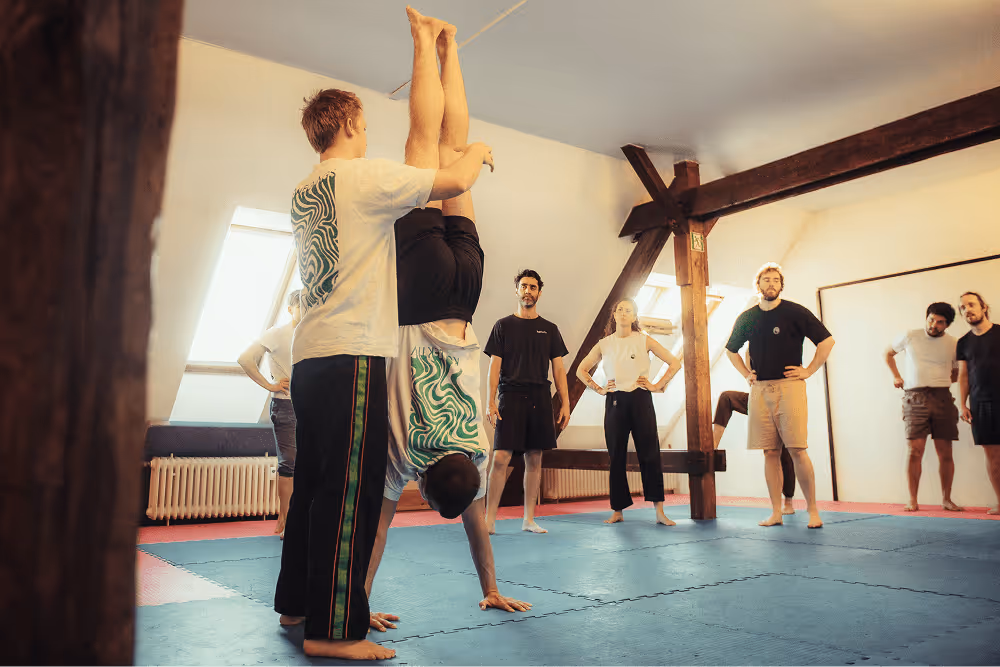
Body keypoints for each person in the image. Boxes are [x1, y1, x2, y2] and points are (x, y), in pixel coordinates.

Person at [272, 5, 495, 659]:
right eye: (364, 123)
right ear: (347, 124)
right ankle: (333, 630)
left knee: (314, 485)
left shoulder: (304, 189)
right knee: (350, 494)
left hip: (313, 356)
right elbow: (454, 174)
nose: (369, 133)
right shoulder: (360, 176)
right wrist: (478, 152)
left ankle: (298, 606)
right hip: (349, 354)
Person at [364, 13, 530, 632]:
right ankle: (421, 39)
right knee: (422, 147)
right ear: (426, 485)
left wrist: (492, 587)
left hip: (466, 293)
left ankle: (451, 43)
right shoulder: (404, 451)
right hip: (426, 296)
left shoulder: (478, 456)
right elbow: (377, 531)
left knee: (454, 158)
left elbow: (481, 524)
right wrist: (357, 599)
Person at [725, 262, 835, 529]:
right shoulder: (748, 317)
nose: (771, 284)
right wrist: (746, 374)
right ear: (759, 285)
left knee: (798, 448)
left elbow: (827, 341)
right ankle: (776, 512)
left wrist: (808, 370)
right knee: (769, 452)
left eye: (775, 280)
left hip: (790, 388)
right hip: (760, 389)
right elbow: (731, 350)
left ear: (781, 285)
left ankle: (812, 511)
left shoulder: (795, 312)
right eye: (766, 280)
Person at [575, 297, 682, 525]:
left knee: (650, 454)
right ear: (614, 314)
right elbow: (581, 370)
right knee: (617, 456)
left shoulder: (644, 340)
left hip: (641, 399)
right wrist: (599, 389)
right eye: (620, 309)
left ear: (634, 317)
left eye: (629, 310)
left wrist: (656, 385)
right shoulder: (605, 343)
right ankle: (617, 510)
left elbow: (674, 362)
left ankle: (660, 511)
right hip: (615, 402)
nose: (624, 313)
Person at [483, 270, 571, 535]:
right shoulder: (503, 326)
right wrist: (490, 401)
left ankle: (528, 519)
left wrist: (565, 403)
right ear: (517, 290)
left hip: (539, 398)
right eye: (524, 286)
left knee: (535, 458)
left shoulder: (550, 330)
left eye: (533, 287)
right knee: (500, 457)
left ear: (539, 292)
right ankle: (489, 520)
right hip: (509, 396)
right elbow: (493, 368)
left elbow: (558, 371)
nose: (528, 291)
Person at [885, 302, 963, 512]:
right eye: (931, 319)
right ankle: (912, 500)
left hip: (943, 398)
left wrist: (939, 381)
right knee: (914, 450)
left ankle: (947, 499)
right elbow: (888, 353)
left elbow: (956, 372)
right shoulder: (910, 335)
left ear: (947, 324)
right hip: (915, 397)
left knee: (945, 452)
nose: (934, 325)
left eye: (940, 322)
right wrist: (897, 376)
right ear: (927, 317)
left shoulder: (954, 343)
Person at [237, 289, 302, 537]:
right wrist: (270, 385)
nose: (306, 309)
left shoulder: (315, 334)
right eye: (301, 305)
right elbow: (245, 359)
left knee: (310, 464)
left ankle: (296, 517)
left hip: (313, 407)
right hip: (286, 405)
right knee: (290, 464)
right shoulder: (277, 334)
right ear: (290, 309)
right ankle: (285, 518)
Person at [713, 388, 797, 516]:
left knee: (784, 454)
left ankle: (788, 502)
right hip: (760, 400)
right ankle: (712, 446)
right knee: (727, 397)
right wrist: (748, 374)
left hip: (782, 402)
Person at [956, 291, 1000, 515]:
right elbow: (963, 376)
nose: (967, 310)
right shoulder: (963, 343)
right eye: (963, 307)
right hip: (981, 405)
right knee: (993, 456)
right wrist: (963, 404)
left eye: (971, 305)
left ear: (984, 307)